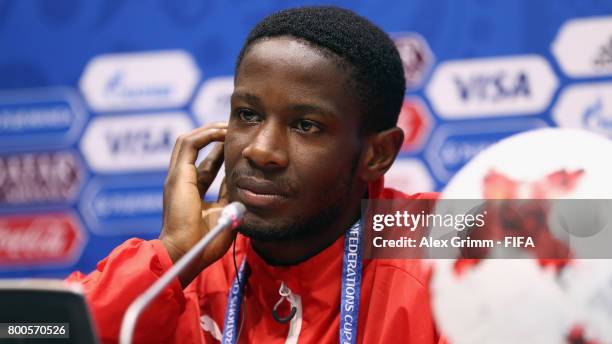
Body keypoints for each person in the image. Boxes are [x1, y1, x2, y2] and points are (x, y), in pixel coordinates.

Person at [68, 6, 442, 343]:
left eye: (306, 125)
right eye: (248, 115)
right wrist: (172, 255)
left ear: (378, 153)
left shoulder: (446, 248)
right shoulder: (186, 271)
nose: (261, 150)